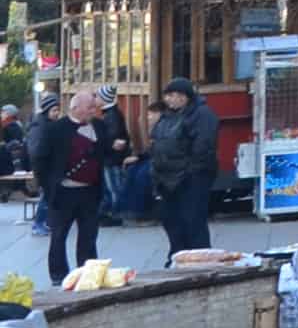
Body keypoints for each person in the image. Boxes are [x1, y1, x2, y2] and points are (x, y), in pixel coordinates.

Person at [33, 89, 132, 279]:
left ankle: (89, 273)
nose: (94, 111)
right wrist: (48, 186)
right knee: (59, 236)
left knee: (89, 236)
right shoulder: (55, 129)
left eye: (95, 107)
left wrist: (120, 148)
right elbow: (40, 160)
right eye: (89, 107)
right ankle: (59, 276)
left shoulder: (100, 127)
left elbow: (107, 155)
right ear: (75, 108)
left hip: (90, 191)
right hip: (63, 192)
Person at [147, 77, 220, 259]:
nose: (170, 99)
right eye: (168, 95)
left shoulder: (202, 114)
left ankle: (200, 259)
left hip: (191, 179)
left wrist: (189, 171)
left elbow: (203, 146)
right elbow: (157, 141)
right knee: (172, 221)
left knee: (193, 222)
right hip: (167, 179)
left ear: (185, 96)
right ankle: (178, 256)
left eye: (174, 95)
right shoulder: (167, 116)